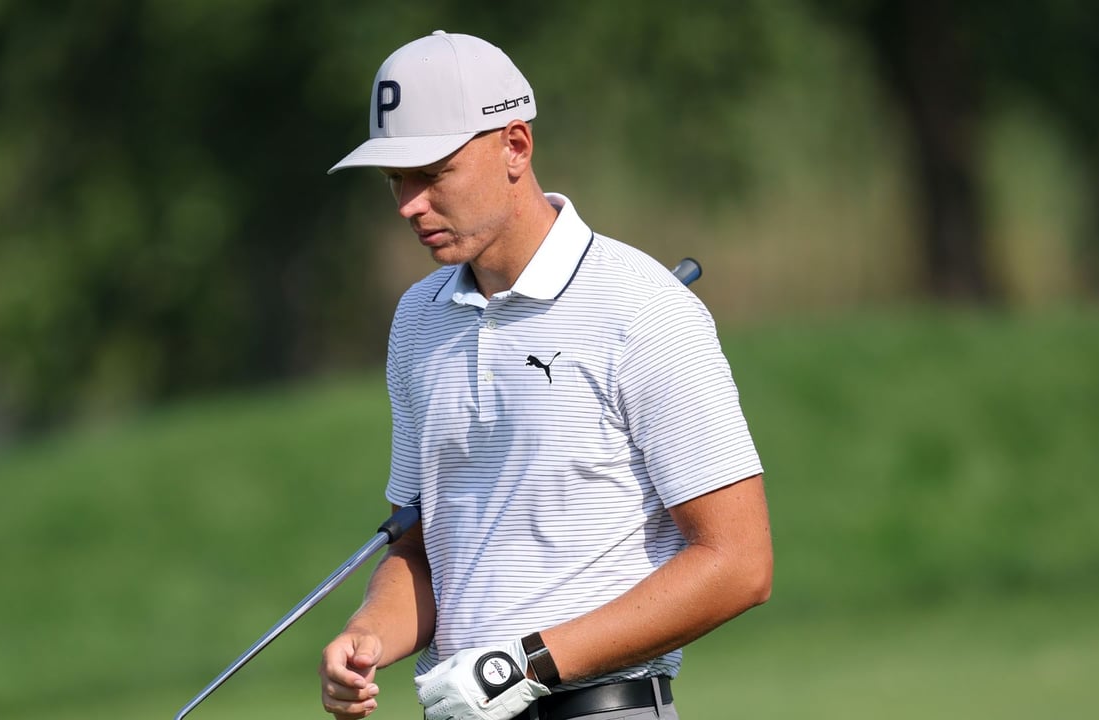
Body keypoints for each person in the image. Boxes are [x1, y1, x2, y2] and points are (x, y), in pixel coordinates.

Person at [319, 30, 772, 720]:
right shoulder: (418, 319)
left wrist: (525, 664)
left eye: (432, 174)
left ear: (515, 147)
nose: (408, 204)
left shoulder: (643, 307)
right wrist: (368, 637)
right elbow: (419, 548)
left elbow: (739, 563)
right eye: (395, 181)